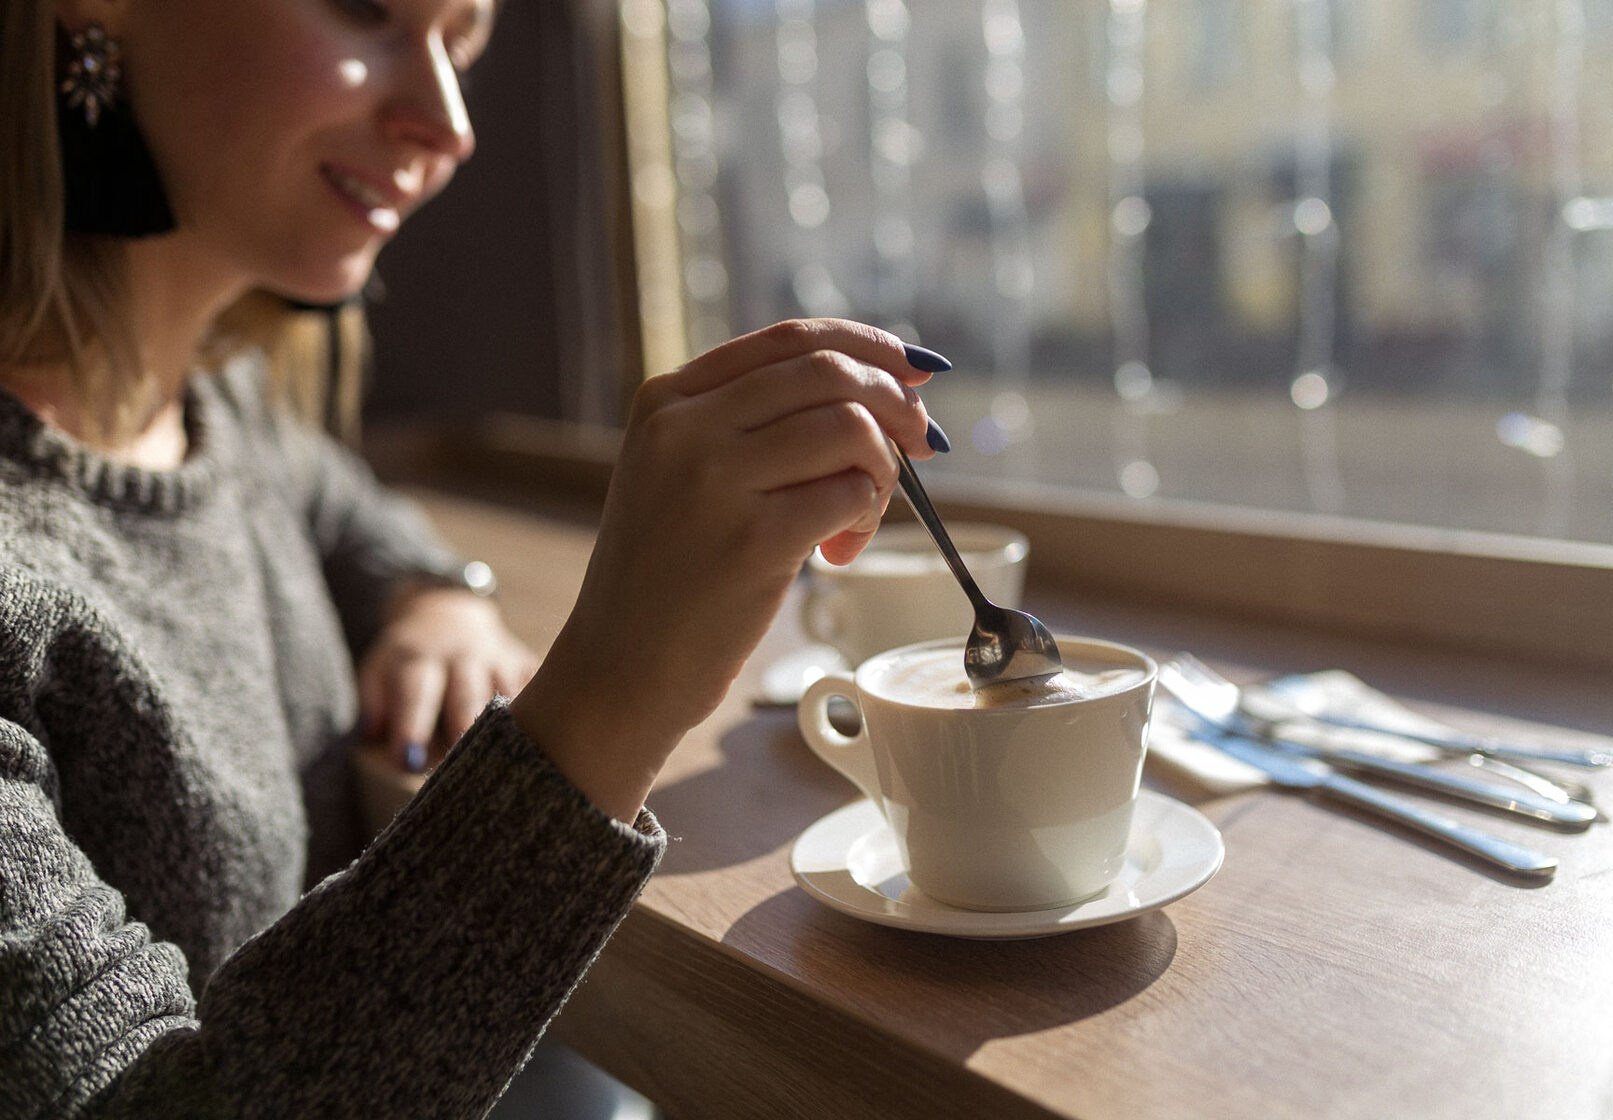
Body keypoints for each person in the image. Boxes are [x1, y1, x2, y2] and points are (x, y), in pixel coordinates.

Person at [0, 0, 949, 1115]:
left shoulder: (209, 405)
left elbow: (341, 507)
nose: (448, 125)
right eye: (370, 12)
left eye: (462, 43)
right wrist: (610, 697)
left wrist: (439, 595)